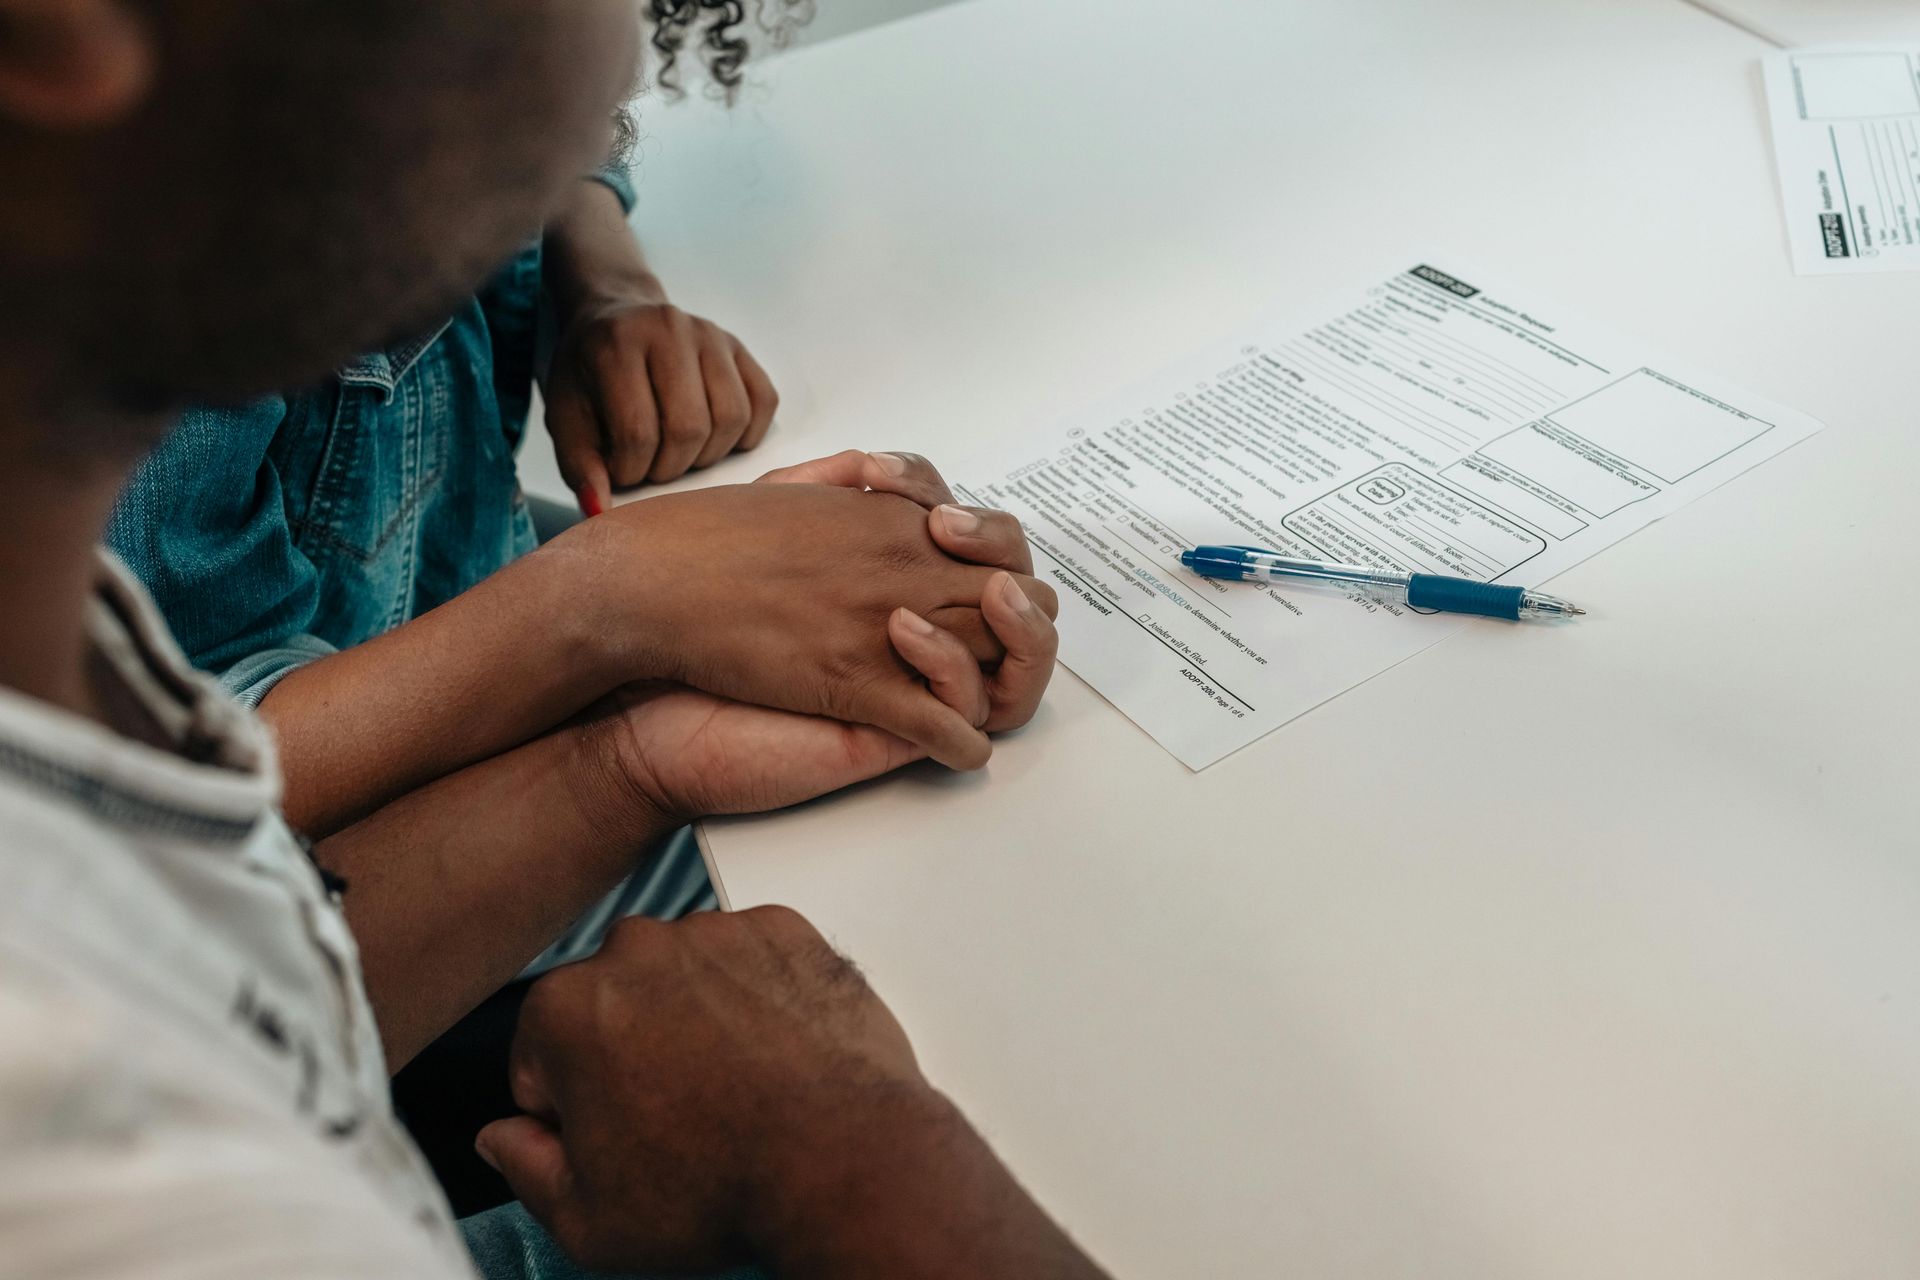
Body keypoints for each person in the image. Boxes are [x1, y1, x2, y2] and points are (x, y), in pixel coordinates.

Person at [0, 1, 1110, 1278]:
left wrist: (626, 754)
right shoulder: (171, 1219)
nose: (635, 50)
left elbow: (215, 960)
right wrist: (829, 1168)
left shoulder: (76, 663)